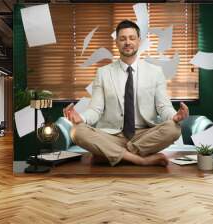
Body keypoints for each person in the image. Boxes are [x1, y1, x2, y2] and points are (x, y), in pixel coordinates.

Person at [63, 20, 189, 167]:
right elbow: (96, 110)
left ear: (139, 41)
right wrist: (81, 118)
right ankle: (139, 160)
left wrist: (174, 116)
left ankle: (110, 155)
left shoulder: (155, 72)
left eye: (132, 38)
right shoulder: (103, 73)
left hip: (144, 135)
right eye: (122, 39)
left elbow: (163, 107)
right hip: (111, 136)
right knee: (77, 131)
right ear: (116, 42)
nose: (127, 42)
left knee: (173, 129)